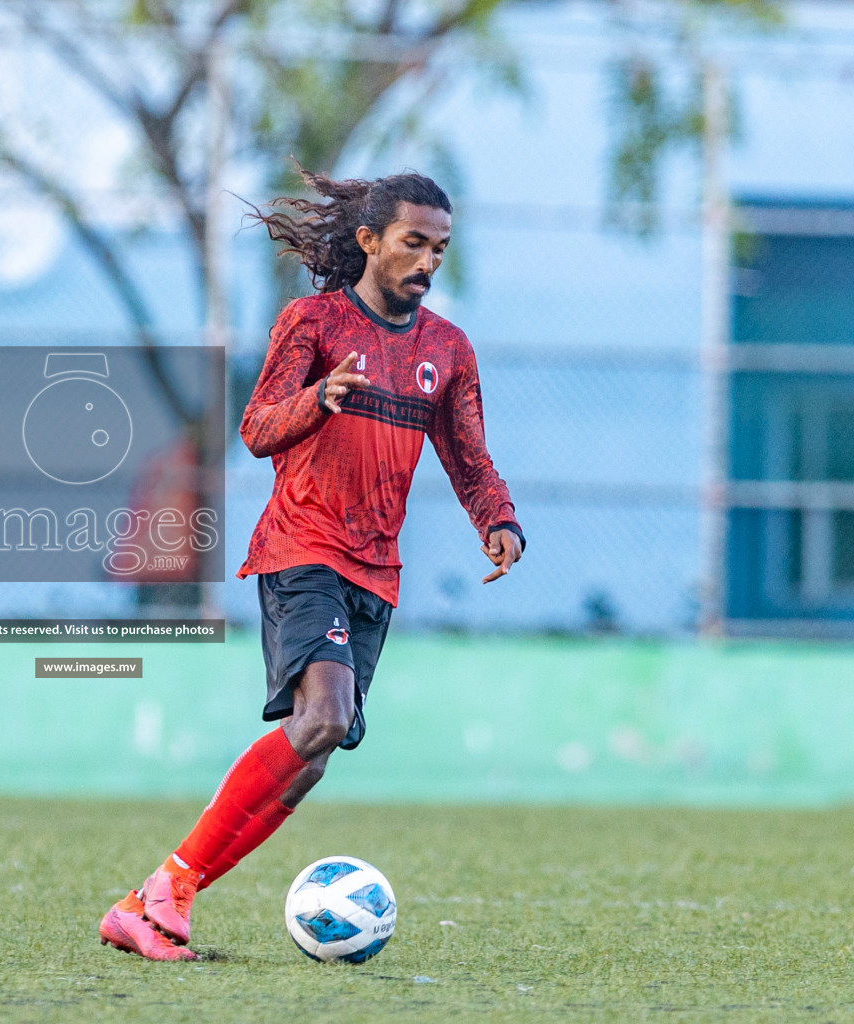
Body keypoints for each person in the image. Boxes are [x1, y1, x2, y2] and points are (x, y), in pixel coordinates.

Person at [99, 171, 525, 960]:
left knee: (312, 756)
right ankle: (166, 888)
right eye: (413, 243)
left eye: (439, 248)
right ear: (368, 241)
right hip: (302, 549)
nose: (428, 261)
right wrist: (318, 398)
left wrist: (497, 518)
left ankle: (157, 899)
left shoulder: (447, 350)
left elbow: (467, 453)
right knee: (324, 718)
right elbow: (257, 428)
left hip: (376, 571)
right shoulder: (313, 322)